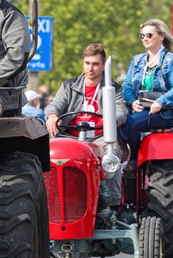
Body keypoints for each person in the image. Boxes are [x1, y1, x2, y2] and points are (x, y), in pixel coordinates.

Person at [44, 43, 127, 205]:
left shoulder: (114, 89)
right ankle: (50, 203)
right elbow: (55, 105)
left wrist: (111, 119)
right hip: (70, 136)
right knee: (48, 157)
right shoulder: (69, 86)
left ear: (103, 66)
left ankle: (113, 205)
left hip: (100, 137)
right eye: (87, 63)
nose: (91, 68)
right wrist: (52, 115)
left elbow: (121, 111)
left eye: (95, 64)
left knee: (111, 157)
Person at [121, 18, 173, 159]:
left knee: (130, 123)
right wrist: (132, 101)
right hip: (139, 110)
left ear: (161, 37)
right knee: (116, 121)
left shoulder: (170, 61)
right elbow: (126, 86)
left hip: (163, 113)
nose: (145, 38)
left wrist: (161, 101)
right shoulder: (137, 60)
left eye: (149, 35)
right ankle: (119, 158)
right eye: (142, 36)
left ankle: (134, 158)